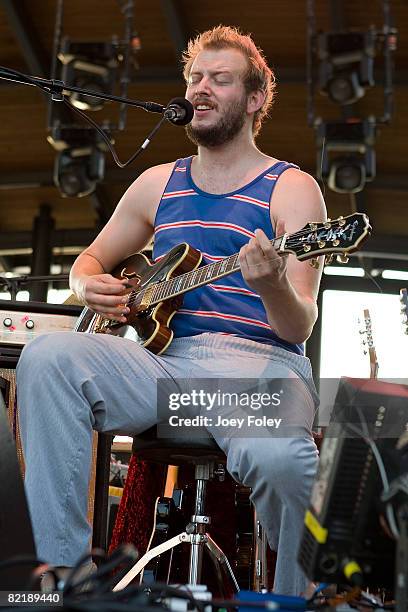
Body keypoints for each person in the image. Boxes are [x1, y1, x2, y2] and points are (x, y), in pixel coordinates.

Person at [16, 25, 327, 595]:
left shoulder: (293, 188)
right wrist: (86, 286)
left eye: (220, 79)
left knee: (284, 465)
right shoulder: (156, 183)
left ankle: (293, 602)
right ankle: (65, 583)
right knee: (48, 357)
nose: (200, 89)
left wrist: (273, 286)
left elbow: (298, 324)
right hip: (170, 375)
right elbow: (88, 260)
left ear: (256, 99)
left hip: (259, 367)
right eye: (195, 78)